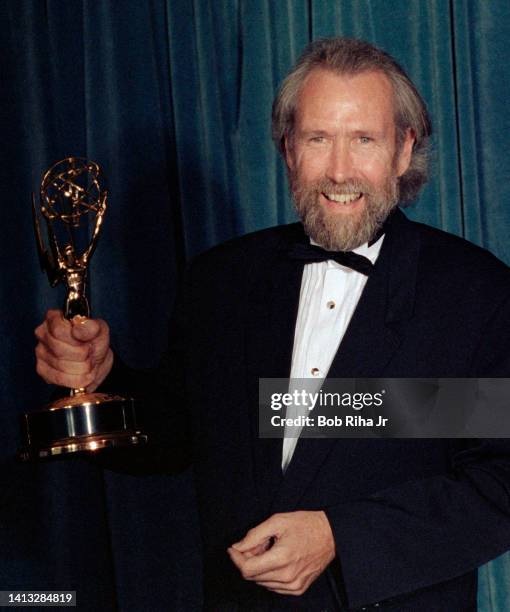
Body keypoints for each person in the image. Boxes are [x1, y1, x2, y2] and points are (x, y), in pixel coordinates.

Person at [34, 38, 510, 611]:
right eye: (317, 138)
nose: (339, 171)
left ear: (403, 150)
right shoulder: (221, 281)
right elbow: (176, 436)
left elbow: (499, 484)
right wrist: (96, 380)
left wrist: (341, 535)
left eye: (363, 139)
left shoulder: (473, 293)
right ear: (288, 148)